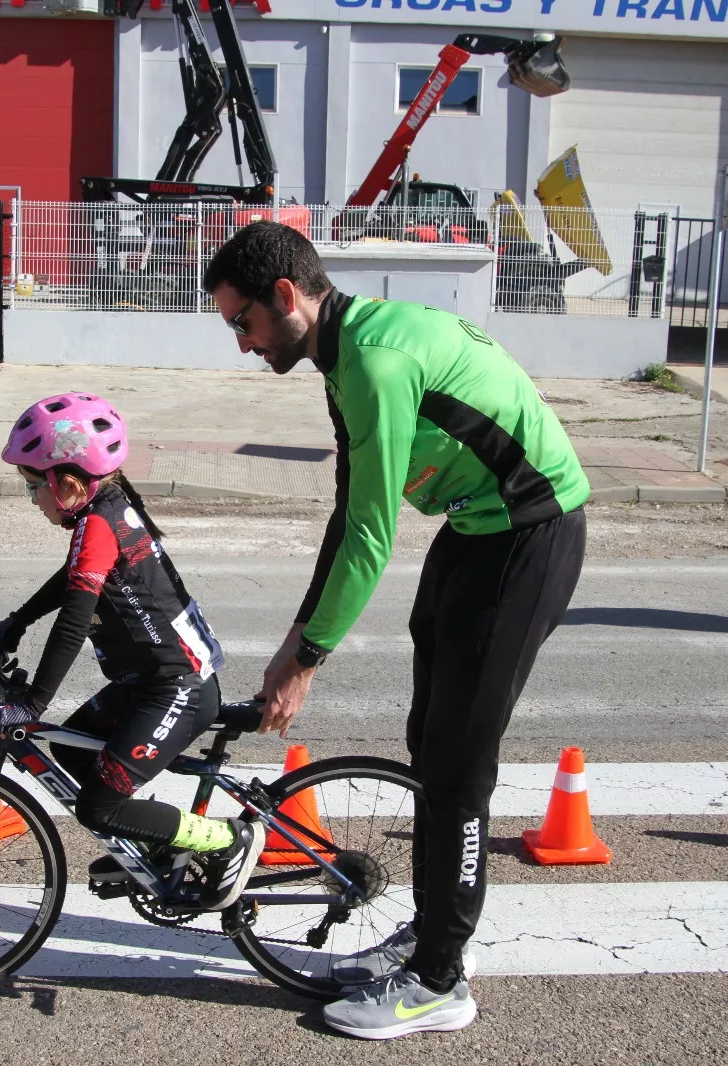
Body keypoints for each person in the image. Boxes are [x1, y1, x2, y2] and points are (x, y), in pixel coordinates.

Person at [203, 222, 590, 1039]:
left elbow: (371, 535)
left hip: (529, 535)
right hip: (476, 529)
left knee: (458, 763)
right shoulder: (346, 351)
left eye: (243, 321)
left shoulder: (374, 362)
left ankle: (440, 981)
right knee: (430, 744)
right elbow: (349, 512)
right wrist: (298, 637)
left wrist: (306, 658)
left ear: (286, 295)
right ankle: (431, 931)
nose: (241, 342)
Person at [0, 393, 265, 910]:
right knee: (70, 750)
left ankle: (228, 840)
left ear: (67, 485)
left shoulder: (99, 522)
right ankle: (156, 849)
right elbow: (72, 577)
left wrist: (33, 703)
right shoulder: (103, 510)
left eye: (32, 486)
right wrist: (16, 623)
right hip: (148, 681)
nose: (33, 499)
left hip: (177, 687)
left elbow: (74, 621)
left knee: (98, 808)